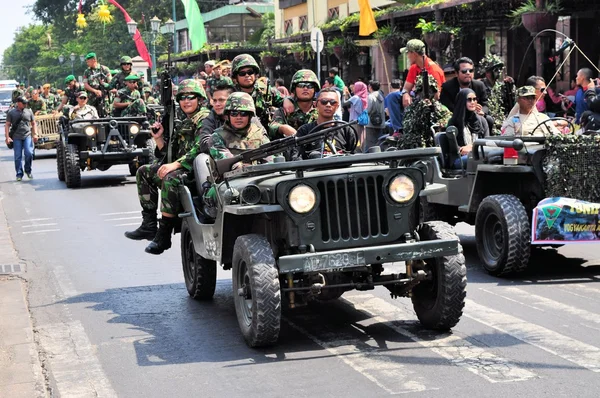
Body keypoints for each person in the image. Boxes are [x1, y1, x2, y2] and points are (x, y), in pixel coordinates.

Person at [125, 79, 210, 254]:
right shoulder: (182, 120)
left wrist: (175, 165)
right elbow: (170, 152)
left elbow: (200, 147)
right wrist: (159, 138)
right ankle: (149, 224)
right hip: (180, 166)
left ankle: (164, 234)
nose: (186, 101)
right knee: (144, 172)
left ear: (200, 99)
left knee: (170, 179)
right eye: (182, 98)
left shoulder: (204, 118)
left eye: (191, 97)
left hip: (199, 170)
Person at [209, 92, 271, 169]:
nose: (239, 117)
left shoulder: (259, 134)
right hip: (231, 179)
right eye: (234, 113)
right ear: (228, 115)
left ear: (250, 115)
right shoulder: (218, 136)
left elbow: (271, 160)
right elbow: (229, 163)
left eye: (243, 113)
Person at [293, 88, 358, 160]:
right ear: (315, 104)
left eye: (333, 102)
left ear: (337, 106)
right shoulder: (304, 131)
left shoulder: (347, 130)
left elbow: (357, 157)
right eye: (324, 102)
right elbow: (296, 158)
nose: (328, 105)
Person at [230, 54, 286, 131]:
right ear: (235, 77)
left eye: (250, 72)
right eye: (242, 73)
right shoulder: (230, 94)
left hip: (265, 136)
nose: (247, 75)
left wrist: (288, 101)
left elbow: (284, 101)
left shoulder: (265, 90)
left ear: (255, 74)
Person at [269, 69, 319, 139]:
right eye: (301, 85)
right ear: (294, 89)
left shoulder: (320, 109)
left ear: (315, 89)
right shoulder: (286, 110)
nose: (305, 88)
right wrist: (283, 128)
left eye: (309, 86)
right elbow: (272, 127)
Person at [447, 89, 489, 168]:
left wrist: (473, 148)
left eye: (474, 99)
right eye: (469, 100)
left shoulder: (482, 120)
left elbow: (487, 141)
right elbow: (455, 148)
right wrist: (466, 150)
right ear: (462, 101)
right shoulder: (453, 122)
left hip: (480, 154)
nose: (473, 102)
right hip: (459, 158)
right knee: (477, 159)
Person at [400, 39, 445, 108]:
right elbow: (406, 88)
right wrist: (405, 93)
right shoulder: (414, 67)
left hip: (432, 104)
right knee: (393, 97)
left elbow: (437, 97)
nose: (407, 56)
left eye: (408, 53)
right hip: (417, 99)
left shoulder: (434, 70)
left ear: (414, 54)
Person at [198, 78, 235, 153]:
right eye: (215, 100)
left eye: (221, 100)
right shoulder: (210, 118)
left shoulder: (245, 114)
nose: (217, 104)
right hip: (221, 158)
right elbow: (204, 144)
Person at [5, 97, 37, 181]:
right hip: (16, 137)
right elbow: (7, 125)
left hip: (27, 135)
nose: (25, 104)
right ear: (18, 103)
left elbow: (33, 123)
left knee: (29, 153)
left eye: (26, 103)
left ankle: (28, 170)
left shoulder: (29, 111)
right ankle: (19, 174)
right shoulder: (11, 113)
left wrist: (35, 134)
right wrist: (7, 137)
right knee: (18, 156)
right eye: (23, 103)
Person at [82, 52, 112, 117]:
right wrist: (95, 91)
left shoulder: (104, 69)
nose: (87, 63)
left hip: (104, 97)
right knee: (91, 115)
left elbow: (110, 83)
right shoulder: (87, 72)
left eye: (88, 61)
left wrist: (103, 84)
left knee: (106, 115)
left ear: (94, 60)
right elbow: (85, 84)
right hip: (92, 97)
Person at [342, 81, 368, 145]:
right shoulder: (363, 97)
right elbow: (353, 101)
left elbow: (343, 103)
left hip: (354, 122)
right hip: (361, 121)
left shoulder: (355, 97)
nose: (353, 88)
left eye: (355, 87)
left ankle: (356, 153)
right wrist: (349, 94)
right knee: (361, 139)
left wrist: (344, 93)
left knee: (355, 139)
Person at [363, 80, 386, 152]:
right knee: (378, 141)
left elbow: (368, 109)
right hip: (380, 122)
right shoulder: (381, 96)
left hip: (371, 123)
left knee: (370, 143)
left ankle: (369, 158)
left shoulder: (370, 96)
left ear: (370, 87)